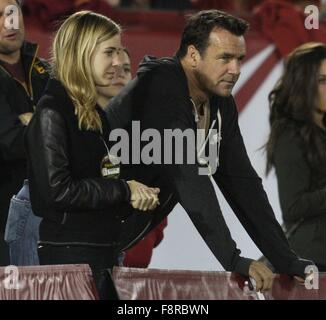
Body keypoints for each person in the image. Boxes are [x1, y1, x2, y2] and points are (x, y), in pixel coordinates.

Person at [107, 9, 314, 291]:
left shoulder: (218, 103)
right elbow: (189, 177)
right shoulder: (161, 86)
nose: (236, 69)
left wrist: (285, 259)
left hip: (101, 236)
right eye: (225, 58)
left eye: (239, 58)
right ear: (193, 56)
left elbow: (242, 183)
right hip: (52, 225)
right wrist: (232, 258)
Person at [24, 11, 161, 298]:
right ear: (81, 53)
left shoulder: (96, 116)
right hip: (68, 262)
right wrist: (124, 190)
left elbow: (109, 177)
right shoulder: (52, 113)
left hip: (105, 256)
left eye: (120, 51)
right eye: (109, 52)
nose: (119, 61)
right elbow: (57, 191)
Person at [97, 48, 168, 268]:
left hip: (133, 274)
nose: (119, 74)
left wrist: (148, 236)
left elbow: (161, 194)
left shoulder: (145, 139)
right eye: (111, 68)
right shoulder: (72, 129)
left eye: (126, 69)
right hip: (85, 262)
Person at [266, 42, 326, 272]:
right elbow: (292, 206)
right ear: (303, 84)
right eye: (322, 81)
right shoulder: (290, 133)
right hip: (312, 261)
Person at [0, 0, 49, 265]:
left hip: (47, 221)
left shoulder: (47, 72)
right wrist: (49, 130)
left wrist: (32, 124)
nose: (9, 22)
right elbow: (10, 143)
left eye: (12, 12)